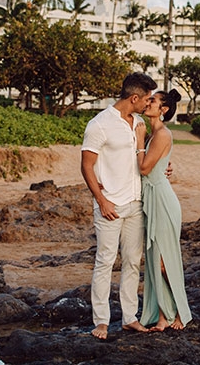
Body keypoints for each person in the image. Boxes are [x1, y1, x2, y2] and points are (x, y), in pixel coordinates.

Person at [80, 72, 157, 340]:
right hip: (110, 204)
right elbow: (86, 165)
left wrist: (163, 168)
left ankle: (129, 318)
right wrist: (101, 201)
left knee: (133, 262)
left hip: (135, 203)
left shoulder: (139, 123)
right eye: (146, 99)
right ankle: (101, 321)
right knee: (105, 261)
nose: (148, 103)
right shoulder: (99, 124)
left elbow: (143, 160)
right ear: (134, 98)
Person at [135, 89, 192, 331]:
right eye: (148, 99)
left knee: (164, 261)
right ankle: (161, 316)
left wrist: (139, 141)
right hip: (152, 198)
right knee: (153, 260)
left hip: (162, 201)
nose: (148, 103)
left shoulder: (161, 134)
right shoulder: (152, 134)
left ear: (163, 109)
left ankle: (180, 312)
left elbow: (145, 168)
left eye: (153, 100)